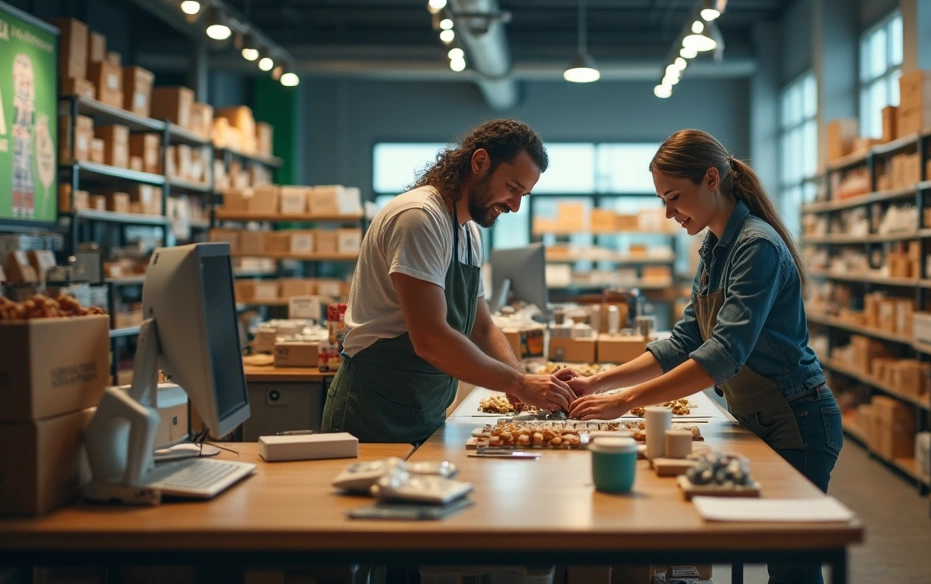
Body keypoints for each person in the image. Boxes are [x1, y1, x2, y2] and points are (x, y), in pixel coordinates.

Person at [562, 129, 840, 584]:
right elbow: (683, 341)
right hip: (756, 418)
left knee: (792, 566)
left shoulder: (757, 246)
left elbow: (723, 353)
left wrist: (626, 401)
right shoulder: (714, 248)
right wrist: (598, 384)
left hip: (798, 419)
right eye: (662, 200)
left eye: (674, 198)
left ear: (712, 179)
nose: (668, 213)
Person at [321, 119, 575, 445]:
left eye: (523, 194)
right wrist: (517, 384)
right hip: (373, 409)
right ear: (480, 162)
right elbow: (431, 339)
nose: (515, 206)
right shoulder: (419, 218)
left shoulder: (468, 233)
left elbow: (481, 328)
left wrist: (523, 377)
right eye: (512, 188)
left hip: (423, 407)